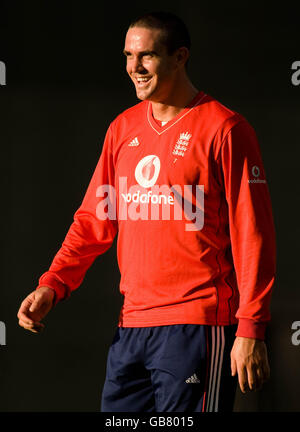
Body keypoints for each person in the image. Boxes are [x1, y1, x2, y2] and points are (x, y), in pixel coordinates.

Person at [17, 11, 276, 412]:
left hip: (197, 326)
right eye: (127, 55)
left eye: (147, 56)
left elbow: (253, 233)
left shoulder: (226, 128)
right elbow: (93, 221)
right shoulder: (122, 129)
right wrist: (53, 283)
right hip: (131, 328)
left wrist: (250, 327)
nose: (133, 67)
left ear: (180, 57)